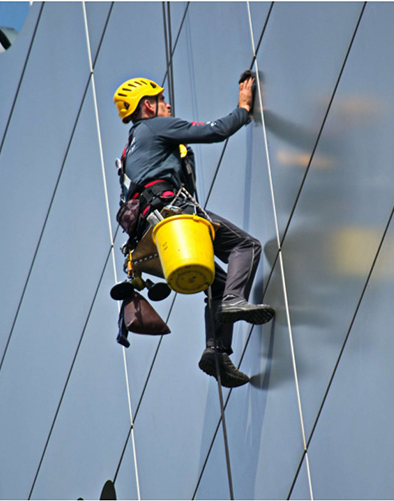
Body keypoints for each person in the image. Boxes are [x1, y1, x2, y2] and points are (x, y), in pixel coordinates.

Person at [113, 75, 274, 388]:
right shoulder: (154, 127)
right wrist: (243, 109)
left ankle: (216, 353)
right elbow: (214, 131)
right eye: (161, 100)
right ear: (148, 106)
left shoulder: (129, 149)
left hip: (151, 235)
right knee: (246, 246)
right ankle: (234, 301)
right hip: (173, 214)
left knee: (218, 282)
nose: (168, 104)